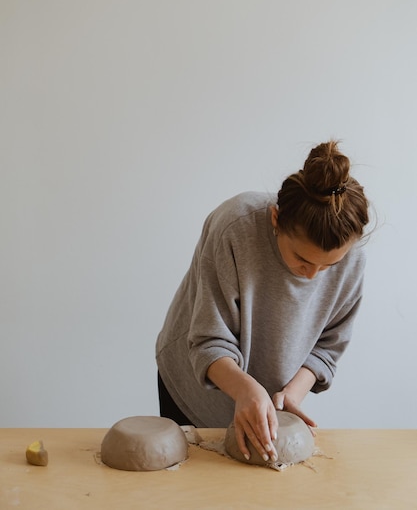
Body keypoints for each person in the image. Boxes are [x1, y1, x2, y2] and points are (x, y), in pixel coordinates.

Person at [155, 141, 369, 463]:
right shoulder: (233, 228)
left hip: (266, 398)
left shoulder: (351, 262)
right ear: (275, 219)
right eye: (301, 259)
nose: (312, 276)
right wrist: (245, 390)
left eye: (328, 266)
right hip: (194, 387)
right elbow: (209, 339)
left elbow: (327, 346)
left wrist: (290, 395)